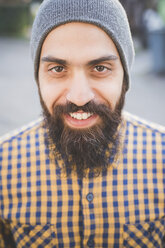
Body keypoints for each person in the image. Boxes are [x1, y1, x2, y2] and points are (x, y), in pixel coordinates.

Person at [0, 0, 165, 247]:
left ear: (124, 77)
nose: (79, 97)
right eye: (57, 69)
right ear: (38, 77)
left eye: (100, 67)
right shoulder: (4, 166)